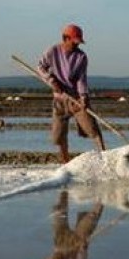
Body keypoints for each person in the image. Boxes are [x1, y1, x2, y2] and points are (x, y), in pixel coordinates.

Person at [37, 24, 106, 163]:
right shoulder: (53, 51)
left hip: (75, 99)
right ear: (65, 38)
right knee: (59, 136)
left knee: (92, 129)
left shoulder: (81, 57)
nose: (76, 45)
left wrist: (83, 97)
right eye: (74, 42)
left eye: (78, 42)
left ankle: (105, 158)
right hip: (59, 100)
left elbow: (81, 79)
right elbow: (40, 67)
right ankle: (65, 163)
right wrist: (52, 81)